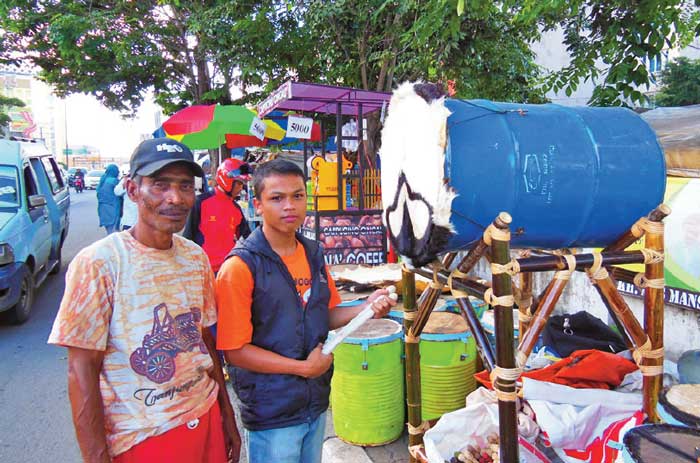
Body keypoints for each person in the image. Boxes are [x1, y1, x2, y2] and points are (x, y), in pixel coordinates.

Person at [48, 138, 241, 463]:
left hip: (206, 419)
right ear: (133, 190)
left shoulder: (196, 258)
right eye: (160, 185)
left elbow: (205, 344)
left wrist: (227, 415)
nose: (175, 198)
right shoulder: (99, 263)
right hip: (144, 440)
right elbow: (81, 370)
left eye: (184, 186)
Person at [216, 159, 395, 463]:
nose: (290, 206)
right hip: (272, 412)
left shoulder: (313, 253)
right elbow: (234, 351)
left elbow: (323, 316)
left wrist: (364, 309)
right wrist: (302, 368)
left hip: (314, 402)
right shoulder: (240, 268)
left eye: (298, 196)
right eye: (277, 198)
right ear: (257, 205)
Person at [184, 157, 251, 274]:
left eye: (242, 184)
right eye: (239, 183)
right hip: (203, 270)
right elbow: (187, 237)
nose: (241, 188)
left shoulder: (236, 209)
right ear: (227, 179)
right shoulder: (200, 202)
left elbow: (248, 238)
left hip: (228, 271)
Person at [97, 164, 123, 234]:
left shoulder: (103, 179)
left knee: (109, 231)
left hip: (103, 209)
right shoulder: (114, 181)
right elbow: (120, 193)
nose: (118, 172)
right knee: (114, 232)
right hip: (113, 209)